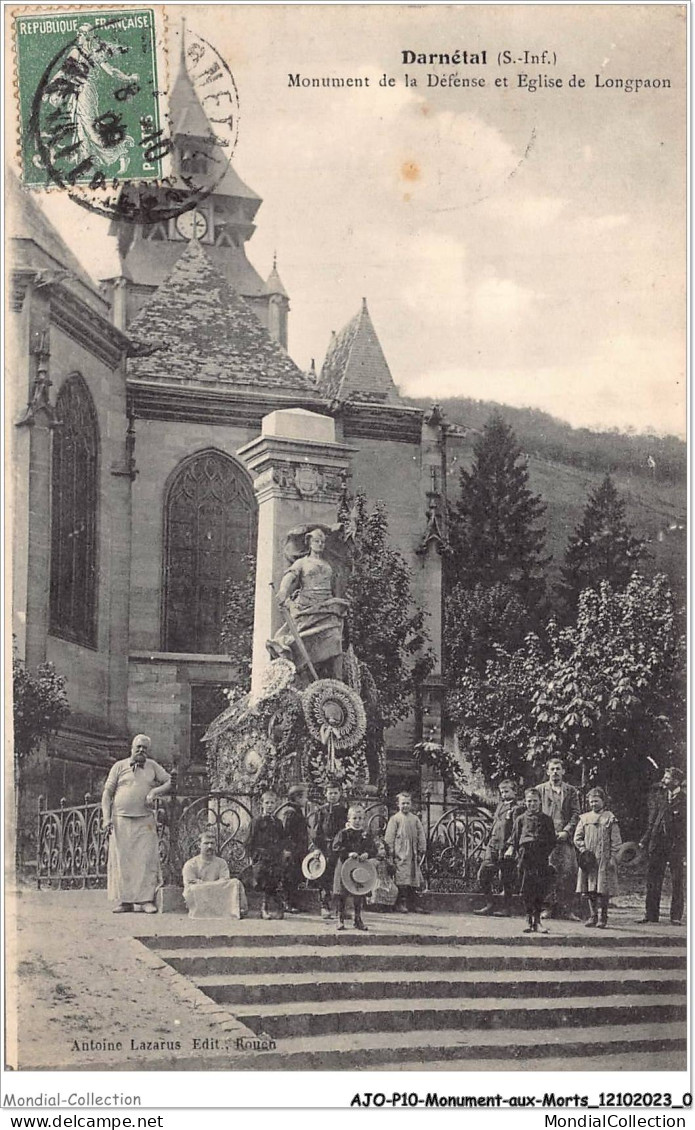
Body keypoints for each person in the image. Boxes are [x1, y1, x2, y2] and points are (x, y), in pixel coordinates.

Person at [101, 735, 171, 914]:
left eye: (145, 749)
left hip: (145, 819)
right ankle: (125, 901)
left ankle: (146, 900)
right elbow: (107, 794)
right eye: (138, 747)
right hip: (121, 819)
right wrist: (106, 818)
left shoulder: (152, 766)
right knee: (123, 860)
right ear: (131, 748)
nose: (141, 751)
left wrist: (155, 791)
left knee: (146, 859)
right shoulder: (119, 766)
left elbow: (170, 781)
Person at [268, 527, 348, 680]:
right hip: (306, 608)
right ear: (309, 543)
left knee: (336, 639)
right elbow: (290, 576)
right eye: (316, 541)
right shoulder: (302, 562)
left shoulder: (328, 564)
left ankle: (338, 681)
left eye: (322, 542)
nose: (320, 544)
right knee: (301, 641)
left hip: (327, 607)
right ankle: (300, 672)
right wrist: (284, 590)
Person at [638, 766, 686, 925]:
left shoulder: (686, 800)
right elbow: (653, 821)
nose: (663, 781)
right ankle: (651, 915)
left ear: (677, 781)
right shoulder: (659, 796)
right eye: (664, 778)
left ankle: (676, 916)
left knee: (677, 881)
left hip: (677, 846)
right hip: (657, 844)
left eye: (667, 778)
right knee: (653, 879)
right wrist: (644, 840)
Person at [506, 787, 556, 934]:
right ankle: (528, 920)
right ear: (525, 802)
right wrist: (511, 849)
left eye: (535, 801)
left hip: (540, 857)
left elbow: (552, 840)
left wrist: (545, 853)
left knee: (539, 888)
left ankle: (538, 921)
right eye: (529, 801)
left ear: (540, 802)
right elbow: (514, 838)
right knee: (526, 888)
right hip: (525, 856)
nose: (532, 804)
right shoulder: (520, 819)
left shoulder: (547, 820)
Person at [536, 757, 581, 920]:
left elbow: (576, 814)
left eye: (558, 769)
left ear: (563, 771)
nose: (555, 772)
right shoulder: (540, 790)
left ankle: (567, 909)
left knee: (568, 872)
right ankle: (547, 907)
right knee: (547, 872)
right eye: (552, 769)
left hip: (565, 838)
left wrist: (567, 831)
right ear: (547, 771)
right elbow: (535, 813)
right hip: (546, 839)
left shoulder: (571, 791)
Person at [474, 779, 525, 916]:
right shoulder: (500, 805)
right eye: (502, 792)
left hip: (506, 847)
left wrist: (512, 847)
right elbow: (488, 806)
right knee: (483, 874)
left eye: (507, 791)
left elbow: (516, 830)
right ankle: (490, 904)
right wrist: (472, 794)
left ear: (514, 792)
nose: (504, 794)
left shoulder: (518, 808)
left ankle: (507, 908)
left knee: (506, 879)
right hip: (493, 845)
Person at [574, 787, 622, 929]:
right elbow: (577, 838)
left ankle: (603, 916)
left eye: (596, 801)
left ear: (603, 801)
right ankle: (592, 915)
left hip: (604, 859)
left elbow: (616, 841)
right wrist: (584, 850)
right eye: (591, 802)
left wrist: (612, 857)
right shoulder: (584, 818)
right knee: (589, 889)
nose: (593, 804)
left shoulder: (610, 818)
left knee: (603, 889)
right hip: (589, 860)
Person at [182, 831, 248, 920]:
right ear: (199, 845)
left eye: (212, 843)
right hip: (201, 895)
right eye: (206, 843)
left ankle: (238, 909)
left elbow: (224, 882)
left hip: (216, 893)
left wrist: (203, 883)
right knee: (194, 889)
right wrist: (211, 885)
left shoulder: (221, 863)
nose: (210, 846)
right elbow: (190, 886)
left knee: (235, 883)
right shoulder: (190, 864)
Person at [332, 805, 377, 931]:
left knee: (359, 893)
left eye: (361, 818)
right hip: (345, 867)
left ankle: (358, 919)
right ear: (349, 819)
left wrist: (367, 854)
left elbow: (373, 849)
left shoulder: (365, 835)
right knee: (342, 894)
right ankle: (340, 919)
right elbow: (336, 847)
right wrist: (348, 853)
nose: (358, 821)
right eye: (355, 818)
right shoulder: (344, 833)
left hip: (360, 868)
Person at [309, 778, 348, 919]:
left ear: (340, 793)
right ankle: (324, 905)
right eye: (330, 793)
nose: (333, 795)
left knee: (338, 876)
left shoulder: (344, 811)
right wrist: (317, 847)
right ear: (326, 794)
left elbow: (347, 830)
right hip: (325, 847)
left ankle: (339, 908)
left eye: (336, 793)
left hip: (339, 847)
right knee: (324, 876)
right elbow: (316, 831)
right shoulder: (321, 811)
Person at [384, 792, 427, 913]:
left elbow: (421, 835)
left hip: (412, 855)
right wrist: (390, 853)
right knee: (401, 878)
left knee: (413, 878)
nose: (405, 806)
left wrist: (421, 848)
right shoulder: (395, 819)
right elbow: (389, 838)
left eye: (408, 803)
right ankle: (400, 903)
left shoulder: (415, 819)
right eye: (403, 803)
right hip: (400, 854)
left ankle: (412, 903)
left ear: (411, 804)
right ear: (398, 804)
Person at [248, 791, 286, 919]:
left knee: (274, 880)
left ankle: (278, 907)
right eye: (267, 803)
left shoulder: (278, 822)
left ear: (276, 804)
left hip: (275, 856)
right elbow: (250, 840)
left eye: (272, 803)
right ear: (262, 804)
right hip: (261, 856)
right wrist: (252, 857)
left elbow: (282, 839)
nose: (269, 805)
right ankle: (264, 908)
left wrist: (282, 851)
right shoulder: (257, 821)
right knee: (262, 880)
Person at [281, 784, 309, 913]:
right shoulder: (290, 812)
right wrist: (287, 849)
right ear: (297, 798)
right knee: (290, 877)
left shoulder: (297, 811)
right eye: (304, 797)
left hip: (299, 850)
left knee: (297, 876)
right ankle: (287, 903)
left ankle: (295, 902)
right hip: (292, 850)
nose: (306, 800)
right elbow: (286, 833)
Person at [368, 837, 399, 911]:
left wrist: (391, 866)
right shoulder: (372, 861)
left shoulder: (386, 861)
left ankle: (387, 905)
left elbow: (392, 872)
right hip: (376, 880)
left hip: (386, 880)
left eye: (384, 849)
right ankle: (375, 905)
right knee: (377, 889)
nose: (384, 851)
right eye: (381, 849)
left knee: (393, 890)